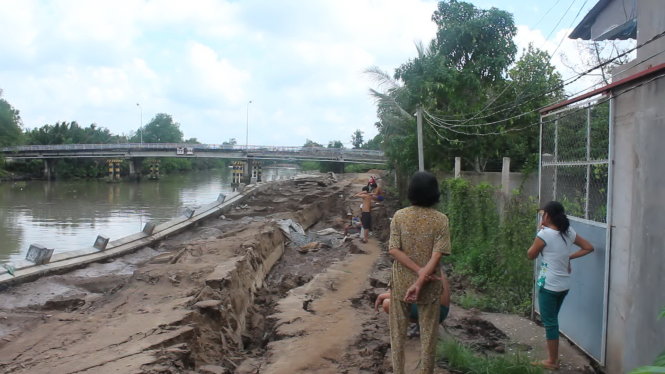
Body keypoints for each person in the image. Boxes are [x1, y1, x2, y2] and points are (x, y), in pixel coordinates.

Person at [387, 171, 450, 374]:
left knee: (397, 337)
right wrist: (422, 276)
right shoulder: (441, 220)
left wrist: (416, 272)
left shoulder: (399, 216)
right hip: (430, 287)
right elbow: (437, 254)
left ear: (411, 191)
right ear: (435, 193)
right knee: (428, 338)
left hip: (400, 285)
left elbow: (393, 249)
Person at [527, 201, 594, 370]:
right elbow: (588, 247)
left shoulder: (545, 234)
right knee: (552, 321)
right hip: (564, 285)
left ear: (547, 215)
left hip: (549, 285)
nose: (542, 216)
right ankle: (553, 357)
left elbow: (530, 255)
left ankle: (552, 361)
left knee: (550, 323)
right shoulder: (568, 232)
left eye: (543, 214)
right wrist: (568, 258)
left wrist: (539, 231)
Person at [375, 270, 450, 337]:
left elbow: (409, 295)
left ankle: (422, 326)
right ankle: (421, 325)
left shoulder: (423, 264)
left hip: (436, 310)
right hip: (438, 309)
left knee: (387, 303)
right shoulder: (428, 262)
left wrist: (382, 296)